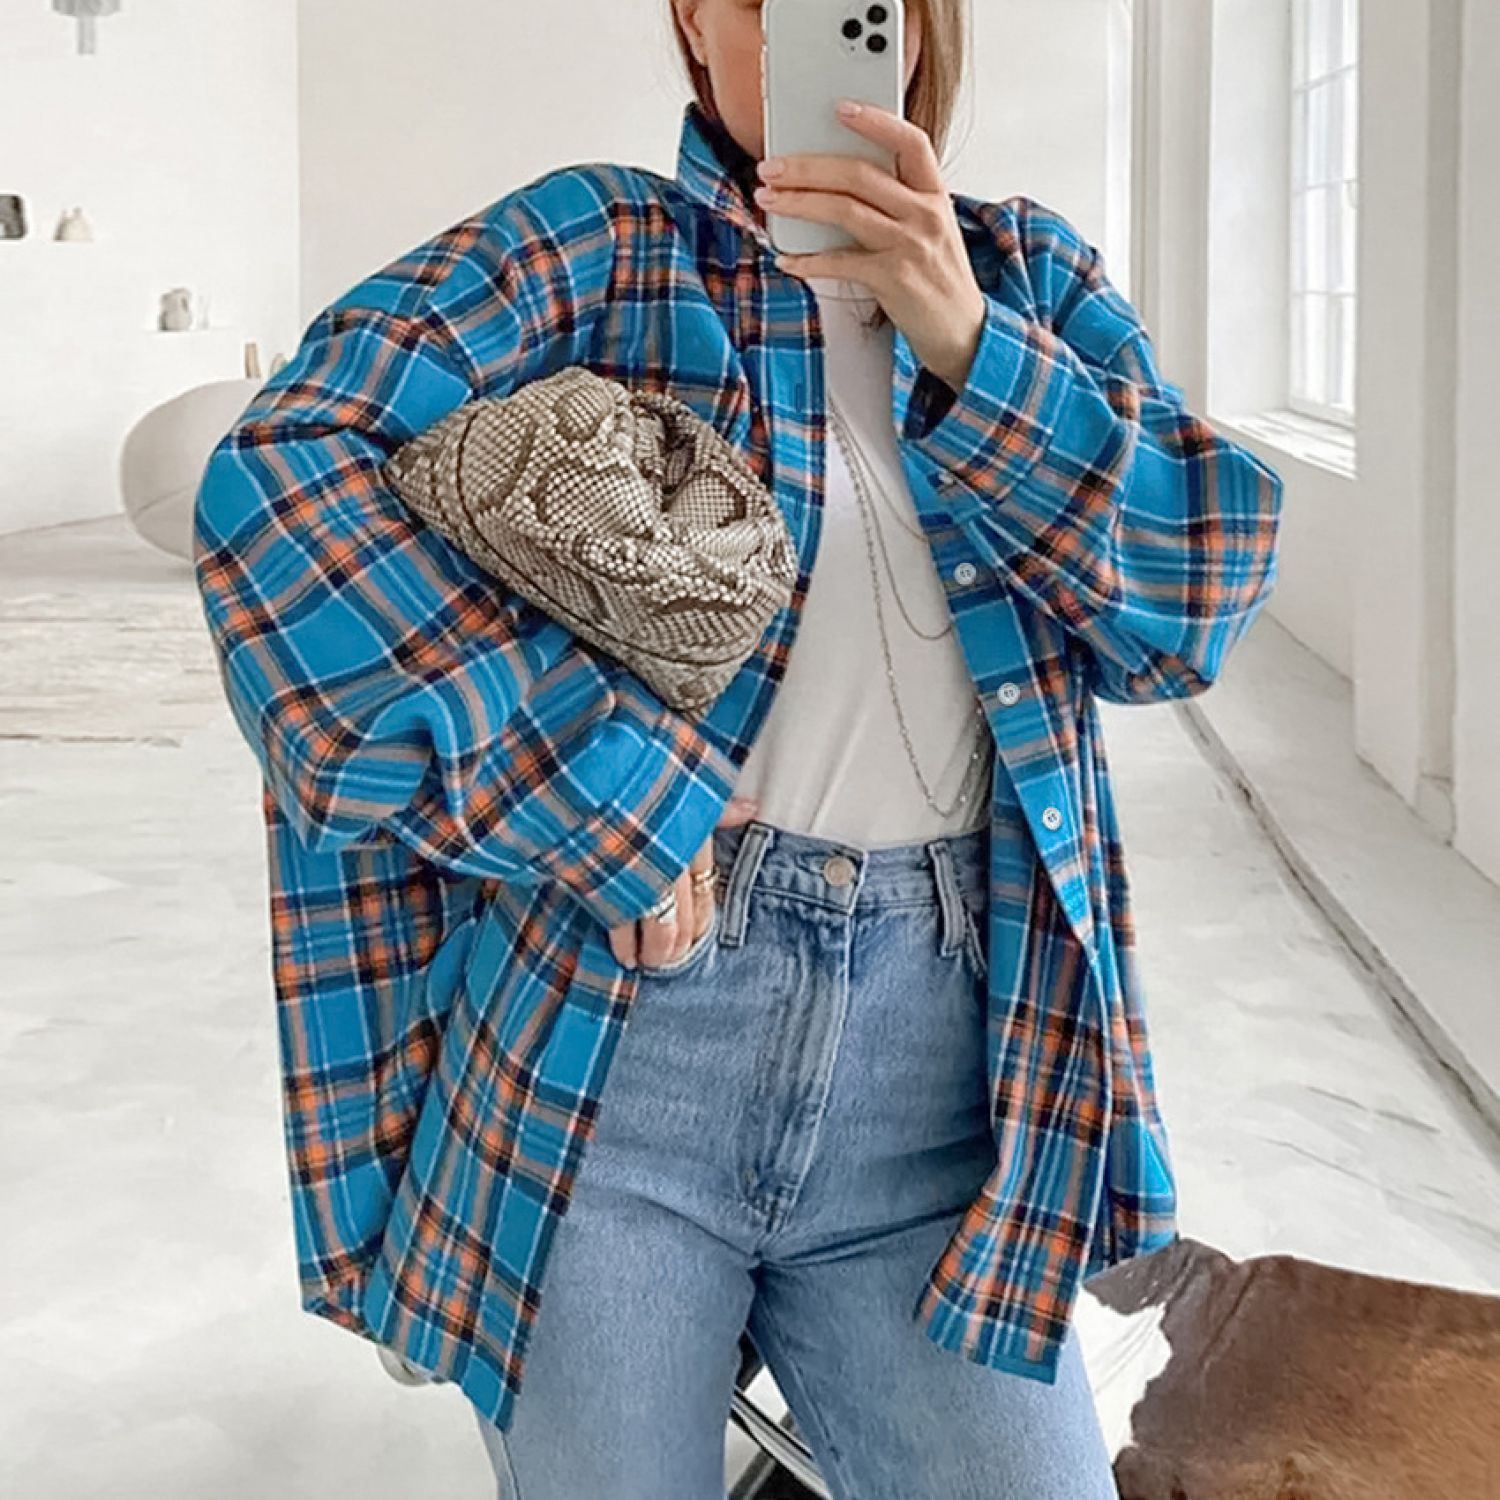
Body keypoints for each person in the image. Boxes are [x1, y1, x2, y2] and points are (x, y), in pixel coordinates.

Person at [192, 0, 1283, 1495]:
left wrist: (966, 343)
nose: (802, 27)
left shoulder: (1030, 281)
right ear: (694, 25)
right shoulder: (595, 244)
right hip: (614, 1063)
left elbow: (1187, 606)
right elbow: (276, 483)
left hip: (946, 1091)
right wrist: (606, 799)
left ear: (916, 30)